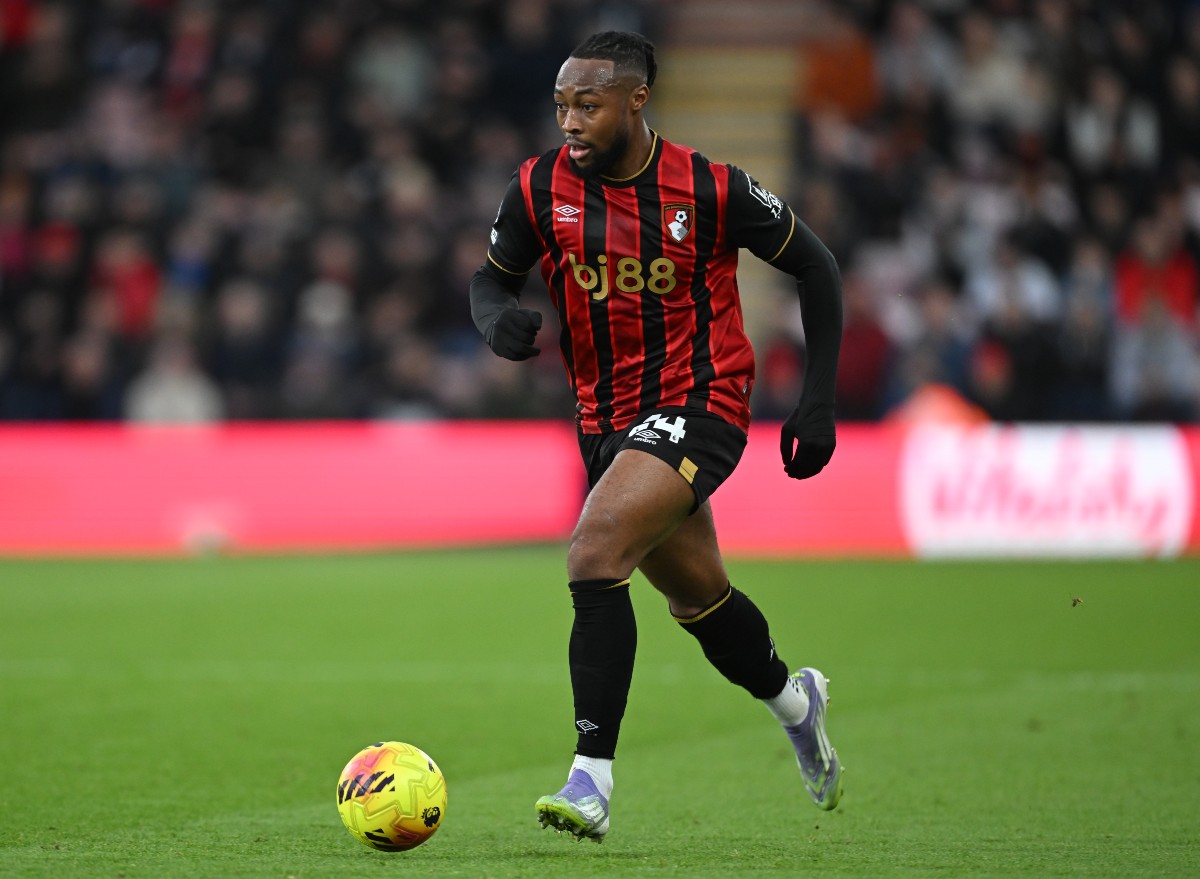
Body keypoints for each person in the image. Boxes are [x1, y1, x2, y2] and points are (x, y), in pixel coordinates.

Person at [469, 31, 844, 842]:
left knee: (593, 551)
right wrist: (496, 319)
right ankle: (796, 702)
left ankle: (590, 779)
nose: (571, 121)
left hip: (701, 398)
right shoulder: (537, 187)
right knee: (699, 599)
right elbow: (491, 279)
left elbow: (817, 266)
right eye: (562, 105)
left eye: (588, 105)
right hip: (604, 420)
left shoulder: (708, 187)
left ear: (637, 100)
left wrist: (817, 403)